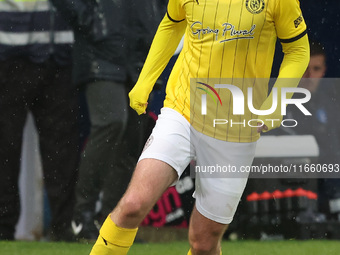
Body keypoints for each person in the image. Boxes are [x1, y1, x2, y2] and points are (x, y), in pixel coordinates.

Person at [89, 0, 310, 254]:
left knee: (203, 244)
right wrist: (146, 80)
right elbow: (171, 25)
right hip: (183, 110)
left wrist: (276, 102)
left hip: (235, 127)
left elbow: (298, 50)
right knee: (133, 205)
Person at [51, 0, 167, 240]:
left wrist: (155, 20)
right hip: (100, 50)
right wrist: (91, 19)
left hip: (139, 50)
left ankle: (113, 223)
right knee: (112, 122)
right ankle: (81, 217)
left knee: (131, 139)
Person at [0, 0, 79, 241]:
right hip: (9, 55)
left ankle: (63, 226)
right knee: (5, 149)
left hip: (59, 55)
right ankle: (3, 229)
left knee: (63, 149)